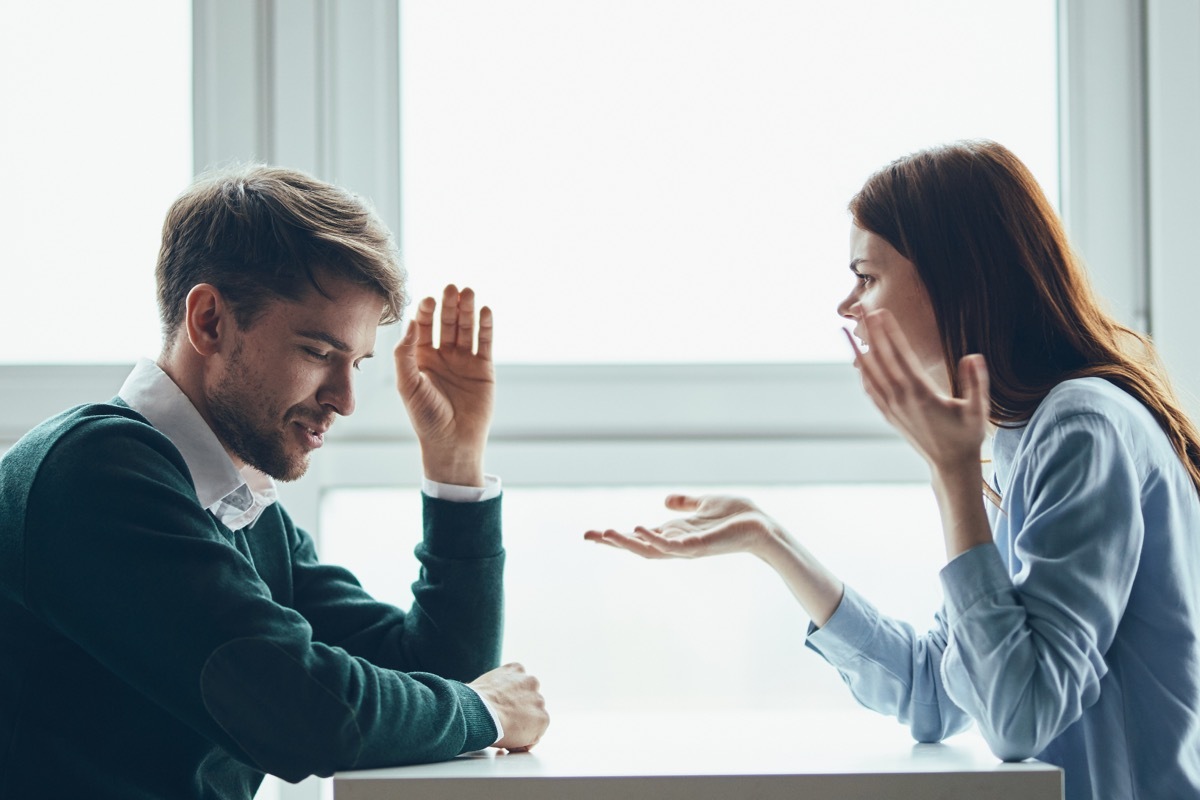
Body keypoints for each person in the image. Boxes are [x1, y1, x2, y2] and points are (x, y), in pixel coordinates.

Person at [585, 140, 1200, 800]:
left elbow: (1018, 716)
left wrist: (954, 473)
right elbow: (935, 692)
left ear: (958, 276)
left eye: (867, 276)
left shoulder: (1082, 427)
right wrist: (773, 542)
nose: (849, 306)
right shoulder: (1032, 436)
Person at [0, 165, 549, 799]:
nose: (344, 399)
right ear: (209, 321)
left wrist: (454, 464)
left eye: (358, 363)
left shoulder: (235, 502)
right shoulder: (95, 474)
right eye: (319, 353)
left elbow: (440, 670)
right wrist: (487, 711)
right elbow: (308, 714)